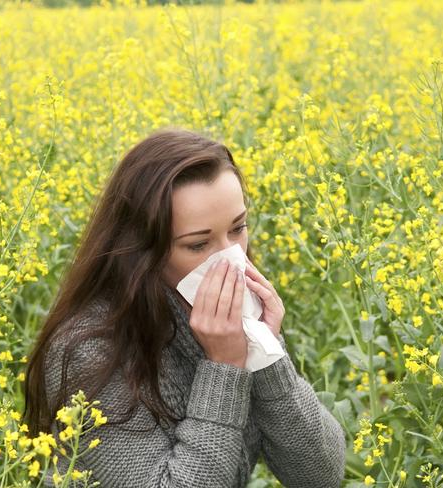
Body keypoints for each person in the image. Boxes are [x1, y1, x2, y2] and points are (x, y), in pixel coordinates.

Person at [22, 127, 347, 487]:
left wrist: (267, 356)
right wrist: (223, 367)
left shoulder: (237, 319)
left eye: (238, 229)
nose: (230, 257)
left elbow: (321, 477)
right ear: (144, 251)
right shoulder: (90, 350)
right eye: (198, 245)